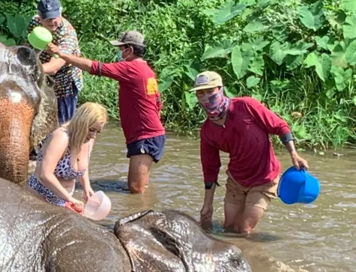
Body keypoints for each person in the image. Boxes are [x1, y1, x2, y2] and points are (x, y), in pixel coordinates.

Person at [47, 31, 165, 194]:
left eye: (121, 48)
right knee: (141, 186)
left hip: (145, 136)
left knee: (136, 189)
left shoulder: (132, 68)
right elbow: (158, 104)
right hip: (148, 134)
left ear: (129, 49)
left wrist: (62, 55)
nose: (119, 53)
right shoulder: (147, 71)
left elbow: (94, 67)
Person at [192, 71, 309, 235]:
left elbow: (280, 126)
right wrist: (207, 205)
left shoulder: (246, 106)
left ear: (220, 89)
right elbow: (210, 168)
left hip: (264, 179)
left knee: (244, 230)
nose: (206, 97)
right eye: (200, 93)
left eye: (210, 91)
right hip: (236, 180)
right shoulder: (207, 131)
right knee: (229, 229)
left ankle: (253, 257)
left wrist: (294, 154)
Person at [27, 102, 108, 212]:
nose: (93, 135)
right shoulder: (62, 138)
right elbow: (45, 174)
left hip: (66, 199)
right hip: (40, 197)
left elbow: (83, 164)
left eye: (98, 131)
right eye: (92, 130)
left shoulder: (88, 139)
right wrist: (69, 198)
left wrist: (86, 187)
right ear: (81, 123)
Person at [27, 0, 83, 124]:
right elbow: (29, 44)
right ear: (39, 17)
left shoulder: (67, 34)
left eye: (54, 17)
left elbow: (54, 67)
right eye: (47, 18)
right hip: (40, 74)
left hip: (64, 82)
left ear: (60, 13)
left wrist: (27, 70)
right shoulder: (35, 23)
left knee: (64, 125)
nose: (52, 22)